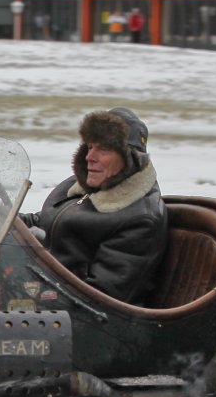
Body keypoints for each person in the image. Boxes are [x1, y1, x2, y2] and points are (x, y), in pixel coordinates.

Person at [20, 107, 167, 303]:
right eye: (89, 147)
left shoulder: (141, 218)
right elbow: (41, 221)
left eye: (103, 149)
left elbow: (100, 297)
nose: (90, 157)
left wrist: (31, 286)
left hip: (68, 308)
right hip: (36, 280)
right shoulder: (81, 186)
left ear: (131, 158)